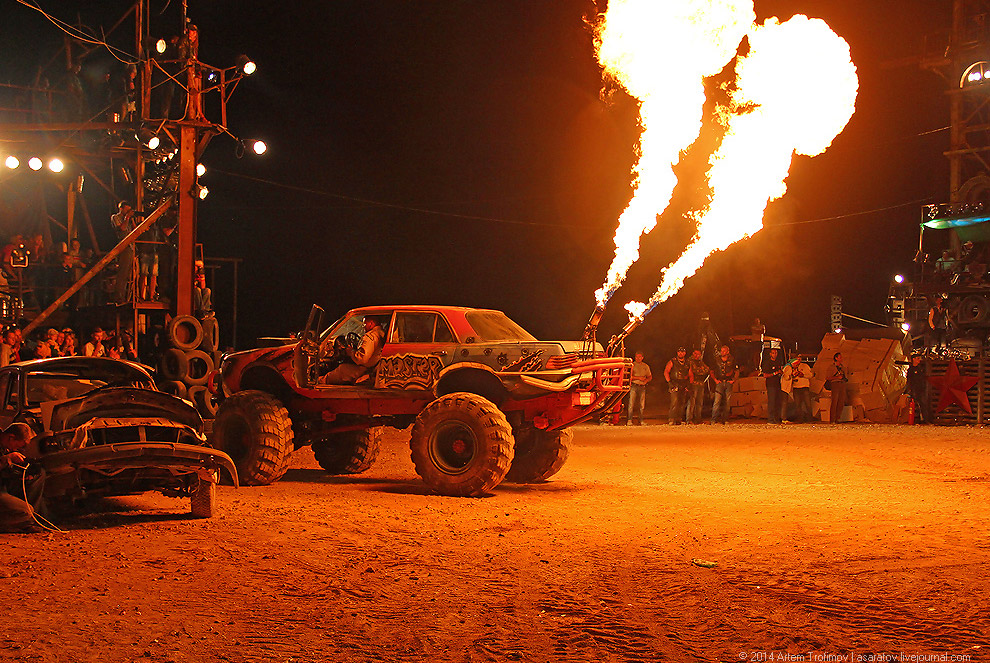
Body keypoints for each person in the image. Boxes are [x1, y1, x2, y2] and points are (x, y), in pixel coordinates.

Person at [0, 423, 43, 533]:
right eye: (19, 446)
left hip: (4, 486)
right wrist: (7, 458)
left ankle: (29, 521)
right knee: (25, 511)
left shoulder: (5, 447)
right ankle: (21, 521)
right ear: (11, 437)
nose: (18, 449)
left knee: (39, 475)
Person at [320, 316, 386, 384]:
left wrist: (351, 352)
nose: (363, 327)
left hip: (365, 369)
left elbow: (361, 359)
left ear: (371, 323)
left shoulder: (371, 336)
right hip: (372, 367)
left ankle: (321, 381)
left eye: (364, 324)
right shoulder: (381, 333)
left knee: (342, 369)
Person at [111, 201, 137, 304]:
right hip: (123, 246)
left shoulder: (129, 219)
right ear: (121, 208)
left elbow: (135, 230)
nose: (128, 212)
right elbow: (122, 229)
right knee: (122, 272)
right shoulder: (115, 217)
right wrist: (126, 218)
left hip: (131, 246)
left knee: (128, 273)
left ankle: (126, 295)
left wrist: (132, 219)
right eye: (126, 210)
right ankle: (118, 295)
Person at [710, 344, 736, 424]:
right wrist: (715, 380)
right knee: (717, 401)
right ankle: (713, 419)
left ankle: (725, 419)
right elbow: (711, 371)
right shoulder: (716, 360)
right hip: (720, 382)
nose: (722, 352)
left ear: (728, 352)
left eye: (724, 351)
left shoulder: (732, 360)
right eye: (721, 351)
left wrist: (733, 380)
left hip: (728, 382)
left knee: (727, 402)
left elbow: (736, 370)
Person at [664, 347, 690, 425]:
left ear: (684, 353)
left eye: (682, 352)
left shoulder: (687, 362)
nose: (680, 353)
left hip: (683, 384)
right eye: (679, 352)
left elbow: (690, 374)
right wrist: (670, 383)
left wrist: (688, 385)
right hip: (674, 383)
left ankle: (679, 419)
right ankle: (671, 419)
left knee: (682, 403)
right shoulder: (672, 361)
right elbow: (666, 372)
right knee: (674, 402)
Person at [785, 357, 814, 423]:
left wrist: (803, 375)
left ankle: (810, 419)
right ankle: (799, 419)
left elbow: (811, 375)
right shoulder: (791, 367)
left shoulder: (805, 366)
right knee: (797, 404)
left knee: (808, 404)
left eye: (799, 359)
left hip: (804, 387)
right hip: (796, 387)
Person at [626, 351, 652, 426]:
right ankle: (629, 420)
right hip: (634, 385)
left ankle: (641, 420)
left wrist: (646, 381)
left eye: (639, 357)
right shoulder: (632, 365)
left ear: (642, 358)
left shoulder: (645, 366)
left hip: (642, 386)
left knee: (642, 404)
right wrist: (638, 378)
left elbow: (650, 376)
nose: (638, 358)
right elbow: (629, 377)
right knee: (631, 404)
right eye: (637, 357)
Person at [761, 347, 785, 424]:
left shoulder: (778, 362)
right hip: (771, 385)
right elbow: (765, 375)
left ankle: (777, 418)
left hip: (778, 384)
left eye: (776, 353)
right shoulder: (767, 363)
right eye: (773, 353)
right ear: (770, 354)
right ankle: (770, 419)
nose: (775, 355)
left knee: (777, 402)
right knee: (771, 402)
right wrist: (774, 373)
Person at [686, 349, 710, 424]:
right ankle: (689, 419)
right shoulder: (689, 361)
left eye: (699, 354)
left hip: (700, 384)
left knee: (699, 402)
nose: (697, 356)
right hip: (693, 383)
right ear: (693, 353)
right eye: (696, 354)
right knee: (692, 402)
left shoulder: (700, 362)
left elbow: (707, 369)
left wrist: (701, 371)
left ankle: (698, 419)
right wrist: (701, 371)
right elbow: (695, 371)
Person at [906, 354, 932, 424]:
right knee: (917, 405)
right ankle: (917, 419)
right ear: (913, 359)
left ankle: (924, 419)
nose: (919, 360)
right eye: (917, 358)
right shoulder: (911, 370)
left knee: (923, 404)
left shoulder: (920, 369)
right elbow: (909, 381)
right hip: (914, 389)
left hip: (921, 389)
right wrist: (910, 390)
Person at [825, 352, 848, 424]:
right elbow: (827, 377)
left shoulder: (843, 368)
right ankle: (832, 419)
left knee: (841, 401)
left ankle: (837, 418)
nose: (841, 359)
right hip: (835, 384)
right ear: (836, 358)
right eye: (840, 357)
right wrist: (837, 377)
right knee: (834, 401)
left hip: (842, 384)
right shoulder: (831, 367)